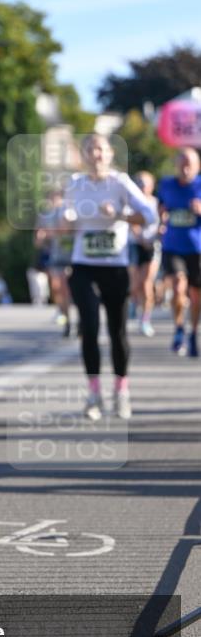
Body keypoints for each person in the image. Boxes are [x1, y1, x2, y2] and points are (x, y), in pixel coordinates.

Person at [63, 133, 157, 421]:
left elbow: (149, 216)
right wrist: (64, 221)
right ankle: (94, 394)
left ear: (110, 153)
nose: (96, 155)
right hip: (83, 265)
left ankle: (121, 390)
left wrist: (119, 214)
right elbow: (64, 221)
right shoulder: (75, 184)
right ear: (84, 154)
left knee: (117, 332)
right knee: (89, 326)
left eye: (101, 149)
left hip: (115, 266)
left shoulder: (121, 183)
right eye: (90, 149)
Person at [157, 147, 201, 357]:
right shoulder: (166, 184)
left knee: (196, 295)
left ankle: (193, 332)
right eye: (181, 163)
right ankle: (179, 328)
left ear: (197, 167)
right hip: (173, 246)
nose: (185, 168)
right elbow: (159, 208)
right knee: (178, 286)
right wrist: (161, 217)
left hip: (197, 248)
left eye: (189, 164)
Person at [34, 188, 74, 337]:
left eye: (57, 197)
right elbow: (38, 241)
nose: (55, 201)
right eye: (52, 198)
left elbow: (67, 230)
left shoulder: (70, 211)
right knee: (58, 288)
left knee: (71, 290)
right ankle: (66, 319)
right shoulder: (45, 216)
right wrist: (41, 237)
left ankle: (82, 320)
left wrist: (51, 232)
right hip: (57, 256)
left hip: (73, 256)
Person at [127, 171, 161, 338]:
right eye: (139, 182)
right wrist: (140, 237)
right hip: (134, 244)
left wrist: (161, 232)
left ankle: (145, 319)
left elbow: (163, 221)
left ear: (152, 185)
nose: (142, 185)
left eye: (145, 182)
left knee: (147, 282)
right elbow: (131, 222)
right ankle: (134, 302)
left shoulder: (157, 203)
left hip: (152, 246)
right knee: (135, 283)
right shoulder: (131, 203)